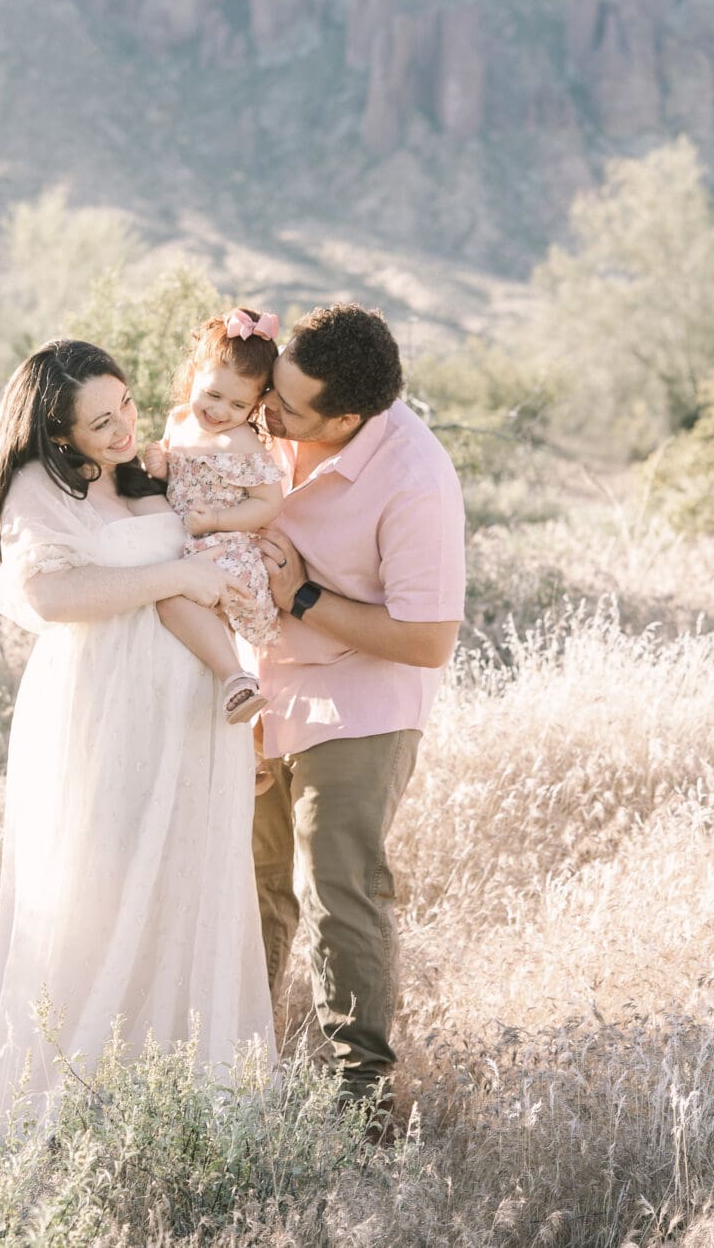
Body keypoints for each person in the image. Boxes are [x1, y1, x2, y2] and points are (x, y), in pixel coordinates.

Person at [0, 338, 274, 1140]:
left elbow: (228, 528)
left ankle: (181, 1106)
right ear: (60, 434)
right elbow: (49, 593)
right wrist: (176, 578)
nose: (124, 425)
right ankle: (80, 1106)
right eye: (101, 421)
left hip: (193, 720)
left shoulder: (147, 471)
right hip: (106, 714)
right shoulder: (39, 485)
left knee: (183, 893)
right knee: (101, 896)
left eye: (125, 403)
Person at [249, 303, 466, 1125]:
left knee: (339, 889)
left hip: (361, 699)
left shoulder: (415, 477)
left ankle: (360, 1100)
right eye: (272, 393)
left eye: (290, 409)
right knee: (255, 884)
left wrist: (300, 593)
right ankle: (236, 1066)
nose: (270, 414)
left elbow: (426, 637)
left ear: (347, 417)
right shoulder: (266, 415)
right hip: (258, 686)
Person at [142, 307, 285, 724]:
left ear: (257, 403)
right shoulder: (180, 421)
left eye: (239, 403)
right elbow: (176, 480)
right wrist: (160, 465)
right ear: (193, 376)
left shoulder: (241, 443)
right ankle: (247, 753)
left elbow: (267, 504)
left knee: (171, 601)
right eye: (213, 395)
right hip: (187, 542)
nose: (221, 411)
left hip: (227, 551)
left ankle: (237, 682)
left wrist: (217, 521)